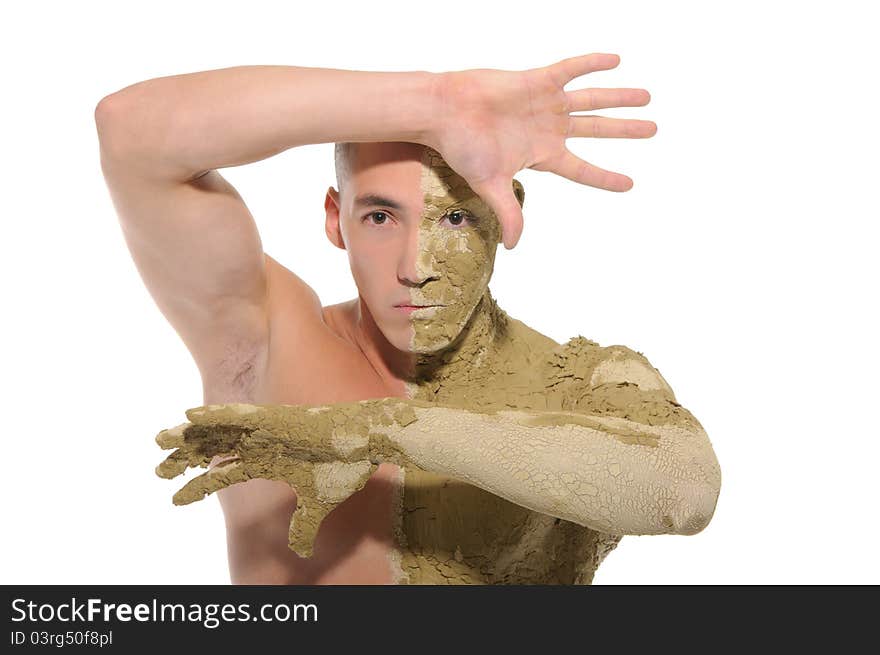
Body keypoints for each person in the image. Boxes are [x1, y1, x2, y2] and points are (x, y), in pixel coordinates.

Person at [96, 53, 722, 585]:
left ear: (504, 216)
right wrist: (434, 102)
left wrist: (384, 430)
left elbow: (685, 493)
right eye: (379, 217)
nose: (416, 266)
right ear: (333, 220)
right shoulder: (266, 340)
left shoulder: (579, 381)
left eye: (453, 218)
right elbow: (131, 133)